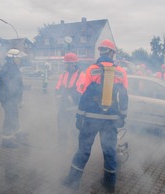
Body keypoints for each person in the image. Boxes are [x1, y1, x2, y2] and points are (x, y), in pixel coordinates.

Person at [62, 40, 128, 193]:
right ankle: (110, 184)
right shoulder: (121, 72)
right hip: (111, 120)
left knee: (83, 150)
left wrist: (79, 117)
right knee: (110, 152)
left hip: (91, 118)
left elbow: (84, 94)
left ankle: (72, 181)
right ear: (112, 53)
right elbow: (124, 97)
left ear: (101, 52)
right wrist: (122, 116)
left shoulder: (91, 70)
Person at [0, 49, 27, 148]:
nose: (20, 60)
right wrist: (17, 99)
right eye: (18, 58)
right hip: (8, 98)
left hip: (11, 98)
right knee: (9, 118)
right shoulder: (9, 68)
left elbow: (17, 83)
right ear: (13, 57)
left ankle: (18, 133)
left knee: (14, 115)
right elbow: (10, 86)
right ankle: (6, 141)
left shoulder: (12, 66)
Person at [55, 52, 84, 145]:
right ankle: (62, 147)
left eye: (66, 63)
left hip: (75, 109)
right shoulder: (63, 75)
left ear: (73, 64)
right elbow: (57, 88)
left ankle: (76, 148)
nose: (65, 65)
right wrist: (61, 94)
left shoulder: (81, 75)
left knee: (75, 130)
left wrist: (65, 95)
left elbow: (79, 92)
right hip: (63, 107)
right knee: (62, 127)